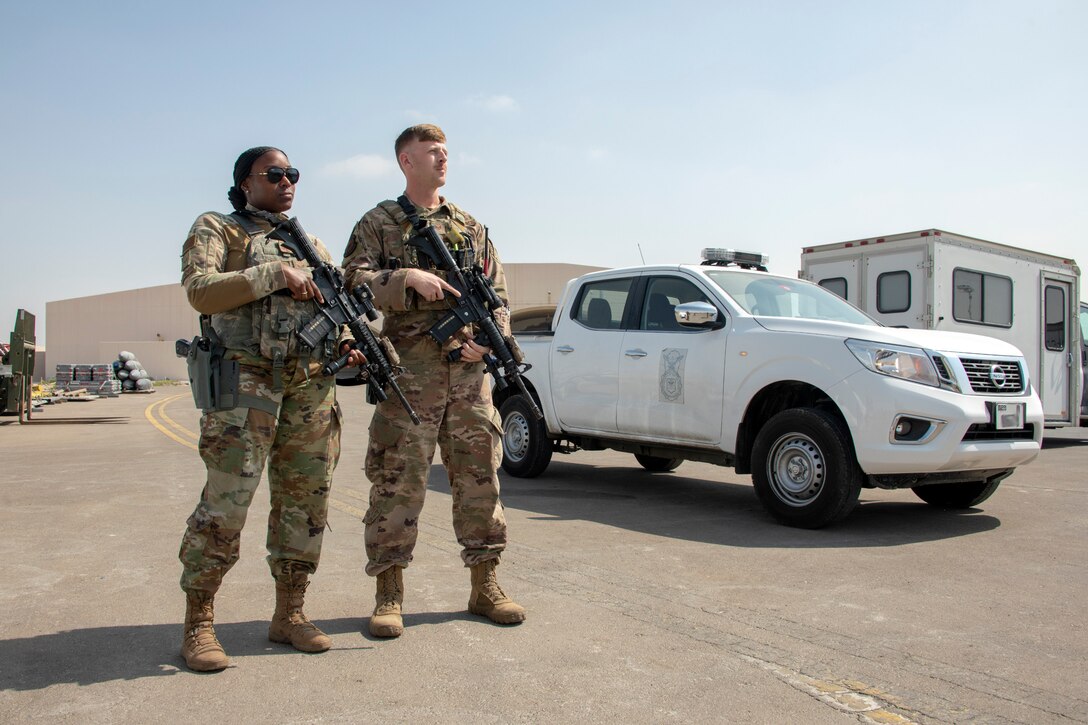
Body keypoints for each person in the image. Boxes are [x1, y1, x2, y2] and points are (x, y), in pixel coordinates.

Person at [177, 146, 365, 671]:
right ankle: (199, 622)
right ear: (244, 183)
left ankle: (291, 613)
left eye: (293, 175)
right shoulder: (218, 228)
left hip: (310, 385)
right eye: (274, 174)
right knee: (226, 502)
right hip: (245, 381)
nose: (286, 183)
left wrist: (349, 340)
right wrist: (273, 274)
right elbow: (200, 291)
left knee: (306, 502)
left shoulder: (312, 245)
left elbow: (335, 309)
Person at [342, 124, 526, 638]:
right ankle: (389, 593)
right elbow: (350, 281)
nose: (443, 160)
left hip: (469, 380)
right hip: (410, 378)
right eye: (432, 153)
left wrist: (492, 340)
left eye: (446, 152)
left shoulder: (470, 225)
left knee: (480, 481)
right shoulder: (379, 222)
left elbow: (498, 297)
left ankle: (485, 584)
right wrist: (405, 279)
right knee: (397, 482)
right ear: (406, 161)